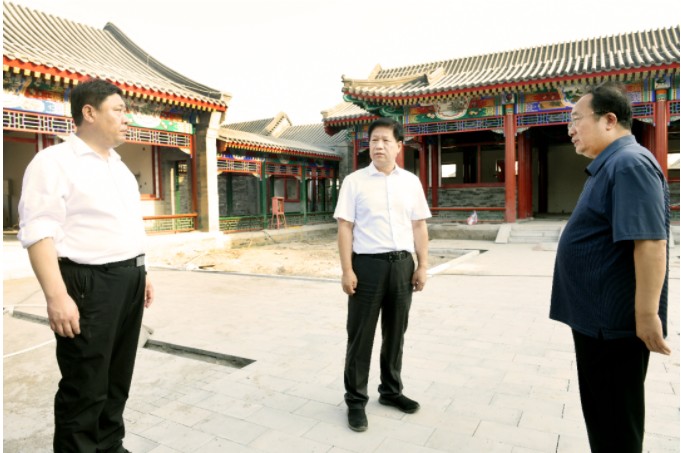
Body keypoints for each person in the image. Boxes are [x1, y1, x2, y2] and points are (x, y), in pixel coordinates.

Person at [18, 78, 154, 453]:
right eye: (119, 109)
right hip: (88, 284)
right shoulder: (54, 162)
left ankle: (110, 446)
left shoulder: (119, 167)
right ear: (89, 112)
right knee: (86, 384)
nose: (126, 118)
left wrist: (142, 270)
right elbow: (39, 231)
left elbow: (126, 226)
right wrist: (56, 296)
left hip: (128, 279)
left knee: (117, 378)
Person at [550, 81, 670, 453]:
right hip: (597, 322)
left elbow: (649, 242)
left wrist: (647, 314)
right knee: (603, 419)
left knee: (615, 425)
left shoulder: (629, 163)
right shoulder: (610, 164)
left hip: (614, 326)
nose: (570, 129)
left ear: (609, 120)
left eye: (576, 119)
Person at [334, 117, 431, 432]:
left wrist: (422, 265)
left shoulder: (411, 182)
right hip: (367, 267)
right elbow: (345, 227)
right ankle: (355, 401)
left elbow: (419, 225)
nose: (379, 146)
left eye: (386, 140)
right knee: (360, 337)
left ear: (399, 146)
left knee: (395, 334)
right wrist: (347, 269)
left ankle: (391, 391)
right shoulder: (355, 182)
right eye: (374, 140)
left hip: (402, 266)